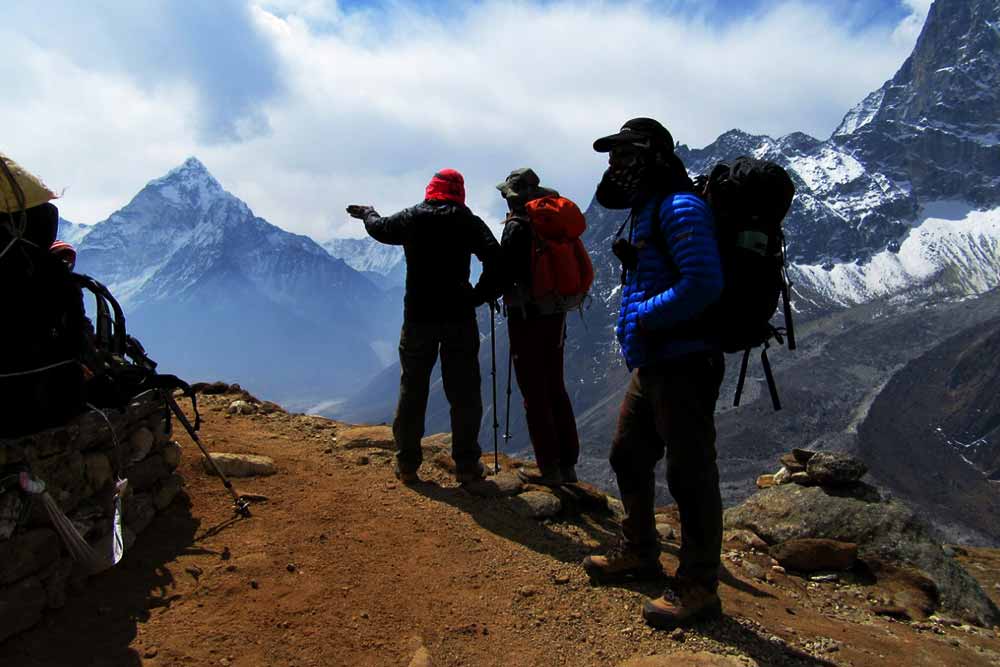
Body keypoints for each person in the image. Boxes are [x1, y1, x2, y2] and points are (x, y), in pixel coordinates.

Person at [581, 118, 726, 629]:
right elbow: (671, 272)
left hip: (684, 361)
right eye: (612, 157)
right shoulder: (648, 209)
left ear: (653, 157)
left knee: (690, 474)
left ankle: (699, 585)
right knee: (628, 453)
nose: (616, 166)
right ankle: (640, 551)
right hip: (656, 360)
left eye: (625, 155)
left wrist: (645, 315)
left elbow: (704, 282)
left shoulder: (680, 207)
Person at [347, 169, 501, 485]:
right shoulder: (467, 221)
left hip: (418, 317)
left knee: (412, 388)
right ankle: (468, 466)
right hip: (459, 316)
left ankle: (406, 464)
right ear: (460, 192)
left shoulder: (412, 217)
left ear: (431, 190)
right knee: (464, 392)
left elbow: (379, 229)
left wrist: (367, 213)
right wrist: (479, 295)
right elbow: (497, 260)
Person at [496, 168, 582, 485]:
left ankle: (549, 468)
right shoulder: (550, 225)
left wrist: (479, 293)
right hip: (554, 314)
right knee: (555, 387)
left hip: (527, 318)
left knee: (534, 392)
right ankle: (568, 464)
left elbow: (504, 274)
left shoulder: (517, 228)